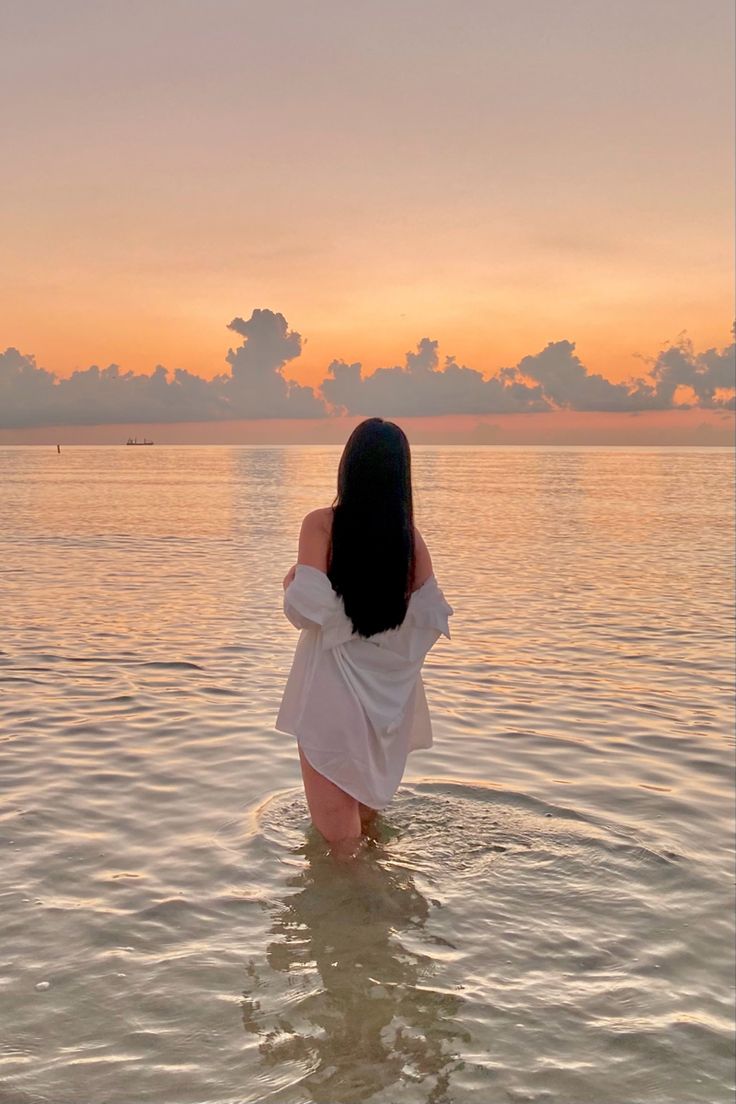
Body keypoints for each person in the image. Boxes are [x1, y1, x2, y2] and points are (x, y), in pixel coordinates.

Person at [275, 417, 453, 860]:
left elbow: (305, 609)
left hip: (331, 694)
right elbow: (430, 620)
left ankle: (354, 921)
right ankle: (382, 920)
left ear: (347, 467)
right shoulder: (410, 541)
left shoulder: (322, 525)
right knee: (368, 837)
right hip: (387, 706)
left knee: (340, 847)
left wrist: (292, 581)